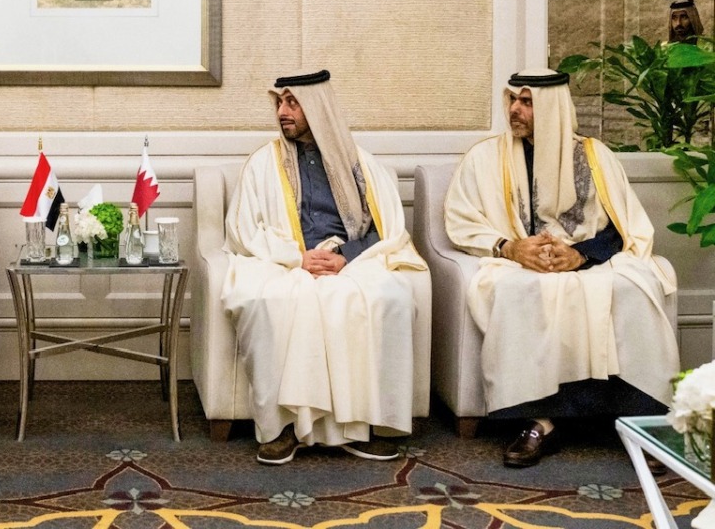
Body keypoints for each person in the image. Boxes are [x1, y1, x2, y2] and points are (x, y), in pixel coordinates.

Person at [445, 69, 679, 468]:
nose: (514, 110)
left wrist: (580, 255)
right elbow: (462, 220)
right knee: (519, 292)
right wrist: (511, 248)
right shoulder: (484, 157)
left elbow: (623, 227)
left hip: (586, 260)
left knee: (632, 288)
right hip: (520, 262)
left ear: (551, 107)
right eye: (513, 101)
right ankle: (539, 421)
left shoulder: (593, 155)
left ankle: (640, 419)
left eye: (526, 102)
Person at [221, 70, 429, 465]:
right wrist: (296, 258)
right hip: (285, 260)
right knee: (266, 299)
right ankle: (283, 427)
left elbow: (389, 231)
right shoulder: (263, 163)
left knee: (388, 297)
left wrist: (345, 256)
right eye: (280, 102)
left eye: (292, 103)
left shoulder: (360, 164)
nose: (282, 111)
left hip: (349, 260)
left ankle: (362, 425)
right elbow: (242, 230)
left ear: (316, 106)